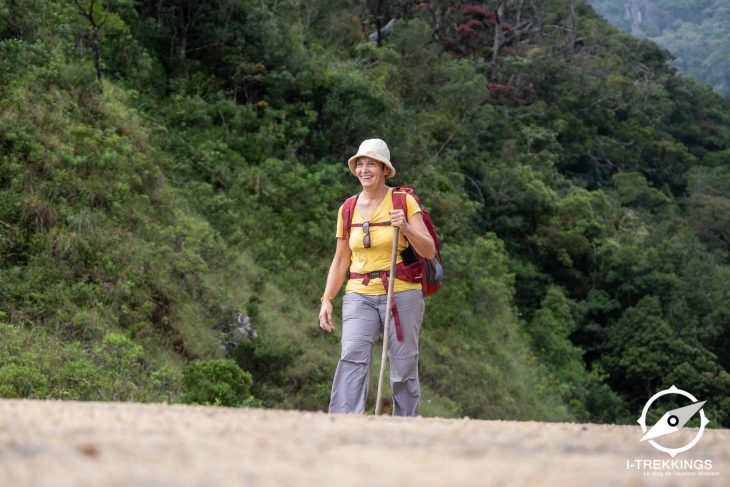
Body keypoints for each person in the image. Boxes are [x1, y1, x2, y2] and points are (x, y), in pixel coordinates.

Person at [319, 138, 436, 416]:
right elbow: (340, 259)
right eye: (360, 163)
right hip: (359, 291)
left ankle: (405, 425)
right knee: (352, 357)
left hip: (402, 291)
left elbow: (428, 250)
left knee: (403, 363)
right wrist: (327, 299)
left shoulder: (403, 201)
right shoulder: (347, 208)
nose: (364, 169)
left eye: (371, 163)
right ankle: (344, 423)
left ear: (385, 169)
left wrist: (406, 227)